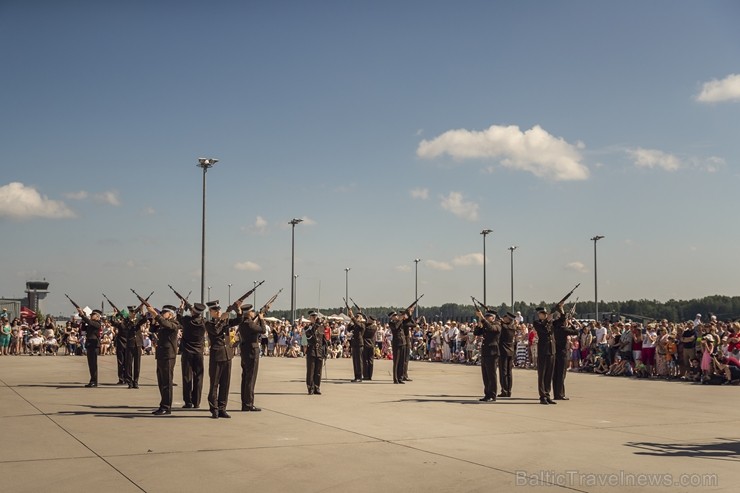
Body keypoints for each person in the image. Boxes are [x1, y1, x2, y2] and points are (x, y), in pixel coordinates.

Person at [143, 301, 182, 416]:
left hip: (168, 355)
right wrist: (154, 319)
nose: (163, 314)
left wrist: (155, 314)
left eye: (165, 312)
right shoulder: (162, 323)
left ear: (170, 314)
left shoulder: (174, 323)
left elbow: (166, 324)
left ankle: (166, 406)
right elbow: (153, 329)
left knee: (167, 382)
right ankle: (163, 404)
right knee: (161, 381)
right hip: (161, 355)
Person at [205, 301, 239, 419]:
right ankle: (214, 409)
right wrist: (221, 320)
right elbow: (215, 331)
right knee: (214, 384)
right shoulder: (209, 323)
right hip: (217, 356)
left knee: (225, 384)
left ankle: (222, 408)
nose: (219, 312)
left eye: (219, 310)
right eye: (216, 310)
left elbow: (239, 321)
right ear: (211, 312)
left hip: (227, 355)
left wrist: (237, 310)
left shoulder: (226, 321)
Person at [237, 303, 266, 412]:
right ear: (248, 313)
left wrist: (258, 317)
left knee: (245, 378)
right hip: (252, 352)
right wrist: (261, 319)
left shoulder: (242, 323)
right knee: (251, 378)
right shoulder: (249, 324)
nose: (253, 312)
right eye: (252, 311)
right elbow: (263, 330)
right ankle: (249, 403)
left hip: (245, 351)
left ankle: (245, 403)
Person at [179, 302, 207, 408]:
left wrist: (181, 308)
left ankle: (188, 401)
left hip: (187, 352)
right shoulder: (204, 322)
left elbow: (178, 317)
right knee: (199, 377)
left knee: (187, 377)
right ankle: (197, 402)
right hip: (199, 352)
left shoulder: (187, 320)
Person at [533, 305, 560, 405]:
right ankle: (542, 396)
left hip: (552, 351)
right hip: (543, 352)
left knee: (549, 374)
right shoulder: (537, 323)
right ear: (539, 315)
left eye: (545, 314)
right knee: (542, 374)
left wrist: (560, 309)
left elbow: (561, 321)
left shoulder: (551, 323)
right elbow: (543, 329)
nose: (544, 315)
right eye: (542, 314)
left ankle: (547, 394)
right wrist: (547, 320)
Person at [473, 307, 500, 402]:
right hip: (485, 352)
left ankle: (493, 395)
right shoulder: (485, 324)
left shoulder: (497, 325)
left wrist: (482, 318)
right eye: (486, 316)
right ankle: (487, 394)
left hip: (492, 353)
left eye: (488, 316)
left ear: (493, 318)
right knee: (485, 375)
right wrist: (479, 324)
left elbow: (491, 329)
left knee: (491, 375)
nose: (486, 317)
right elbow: (476, 333)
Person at [553, 306, 577, 400]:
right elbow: (576, 332)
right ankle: (560, 394)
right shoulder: (564, 329)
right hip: (562, 353)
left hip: (555, 352)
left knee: (555, 374)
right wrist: (571, 323)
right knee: (562, 374)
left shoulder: (554, 328)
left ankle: (556, 393)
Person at [77, 308, 102, 387]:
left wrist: (82, 315)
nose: (91, 316)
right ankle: (92, 380)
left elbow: (89, 322)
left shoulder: (97, 323)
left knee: (93, 364)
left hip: (94, 345)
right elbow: (83, 329)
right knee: (91, 364)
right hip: (89, 344)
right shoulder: (91, 323)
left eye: (93, 315)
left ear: (97, 316)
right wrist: (83, 320)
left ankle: (94, 381)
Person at [305, 311, 327, 394]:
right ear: (310, 318)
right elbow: (311, 338)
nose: (314, 318)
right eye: (313, 317)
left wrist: (325, 351)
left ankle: (317, 387)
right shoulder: (308, 327)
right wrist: (316, 325)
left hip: (319, 351)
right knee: (311, 371)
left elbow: (323, 340)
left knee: (318, 371)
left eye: (315, 316)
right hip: (312, 351)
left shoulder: (321, 327)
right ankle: (310, 387)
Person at [497, 311, 517, 398]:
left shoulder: (505, 327)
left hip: (503, 351)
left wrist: (500, 320)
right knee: (509, 372)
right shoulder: (513, 327)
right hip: (510, 351)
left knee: (503, 372)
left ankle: (504, 390)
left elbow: (502, 325)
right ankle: (508, 390)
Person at [346, 306, 366, 382]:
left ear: (361, 318)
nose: (356, 317)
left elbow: (357, 324)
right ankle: (356, 376)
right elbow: (348, 329)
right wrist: (351, 319)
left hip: (359, 344)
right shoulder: (355, 324)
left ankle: (360, 376)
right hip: (354, 344)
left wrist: (352, 316)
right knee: (355, 361)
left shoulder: (362, 325)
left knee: (359, 361)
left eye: (358, 317)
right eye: (356, 316)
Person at [362, 316, 378, 380]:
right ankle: (370, 375)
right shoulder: (374, 327)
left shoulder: (367, 327)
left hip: (366, 345)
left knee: (365, 360)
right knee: (371, 361)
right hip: (372, 345)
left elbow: (364, 327)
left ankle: (366, 375)